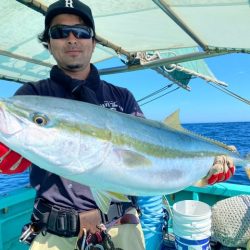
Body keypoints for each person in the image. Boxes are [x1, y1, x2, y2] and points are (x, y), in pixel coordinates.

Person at [0, 0, 235, 249]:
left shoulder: (121, 96)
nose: (71, 39)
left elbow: (153, 153)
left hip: (122, 230)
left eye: (81, 32)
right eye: (59, 32)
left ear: (93, 42)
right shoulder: (32, 94)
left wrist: (204, 170)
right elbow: (10, 158)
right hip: (55, 236)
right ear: (48, 42)